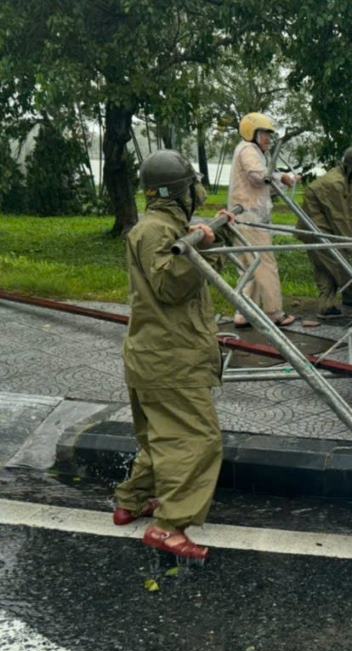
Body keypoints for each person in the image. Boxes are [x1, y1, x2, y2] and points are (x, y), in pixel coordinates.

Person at [112, 150, 231, 561]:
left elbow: (184, 258)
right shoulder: (157, 231)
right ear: (179, 191)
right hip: (171, 360)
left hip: (152, 357)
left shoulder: (164, 225)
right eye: (193, 185)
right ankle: (169, 526)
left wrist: (214, 234)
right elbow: (169, 284)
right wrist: (199, 252)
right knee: (198, 440)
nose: (198, 191)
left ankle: (131, 501)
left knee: (159, 437)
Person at [228, 112, 298, 328]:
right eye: (264, 133)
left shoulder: (252, 150)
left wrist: (280, 178)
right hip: (250, 218)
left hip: (245, 217)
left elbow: (263, 179)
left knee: (249, 267)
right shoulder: (248, 150)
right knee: (265, 264)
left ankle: (243, 312)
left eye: (269, 134)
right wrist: (281, 177)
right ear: (252, 133)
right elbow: (258, 176)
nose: (268, 138)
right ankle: (274, 312)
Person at [299, 146, 352, 319]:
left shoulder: (343, 178)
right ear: (351, 168)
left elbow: (347, 215)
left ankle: (327, 306)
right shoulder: (336, 184)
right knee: (340, 265)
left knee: (325, 269)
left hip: (317, 230)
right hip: (318, 232)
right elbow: (342, 218)